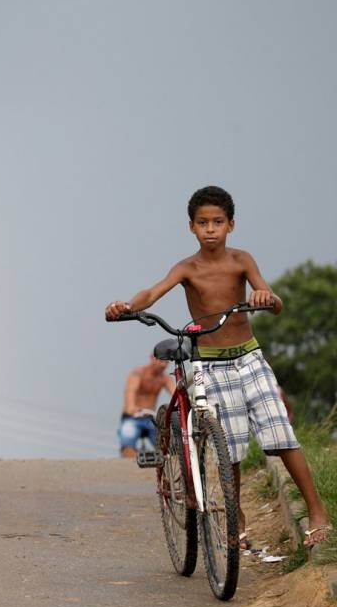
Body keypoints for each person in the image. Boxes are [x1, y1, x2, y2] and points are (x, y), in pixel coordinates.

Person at [105, 185, 330, 549]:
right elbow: (153, 292)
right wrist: (126, 306)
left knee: (281, 434)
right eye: (203, 223)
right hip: (210, 364)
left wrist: (265, 298)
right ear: (191, 227)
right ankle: (234, 515)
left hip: (249, 358)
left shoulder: (242, 260)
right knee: (232, 446)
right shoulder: (186, 268)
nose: (211, 229)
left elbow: (274, 301)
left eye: (218, 222)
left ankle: (317, 511)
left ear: (231, 225)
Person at [118, 354, 176, 458]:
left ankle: (164, 464)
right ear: (152, 358)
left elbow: (175, 393)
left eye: (166, 362)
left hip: (150, 418)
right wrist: (131, 407)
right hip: (133, 416)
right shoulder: (138, 374)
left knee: (168, 444)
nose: (163, 365)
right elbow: (130, 391)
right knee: (127, 437)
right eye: (161, 361)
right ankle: (132, 464)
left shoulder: (164, 378)